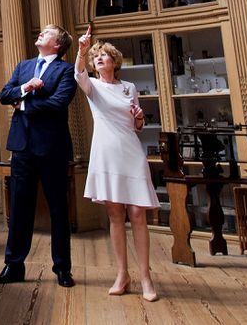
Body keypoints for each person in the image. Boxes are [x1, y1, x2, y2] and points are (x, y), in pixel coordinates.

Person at [74, 29, 161, 301]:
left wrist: (138, 116)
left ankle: (145, 277)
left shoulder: (129, 88)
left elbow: (138, 126)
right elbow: (78, 74)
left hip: (131, 151)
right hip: (106, 152)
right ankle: (122, 274)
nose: (99, 58)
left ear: (114, 61)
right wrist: (81, 48)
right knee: (115, 215)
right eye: (95, 57)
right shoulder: (92, 86)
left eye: (103, 55)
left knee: (137, 213)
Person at [0, 24, 78, 287]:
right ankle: (13, 266)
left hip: (52, 147)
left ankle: (62, 268)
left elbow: (58, 103)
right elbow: (6, 95)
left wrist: (25, 104)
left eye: (47, 32)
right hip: (22, 147)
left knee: (58, 209)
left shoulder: (66, 70)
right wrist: (25, 88)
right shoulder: (24, 66)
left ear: (58, 44)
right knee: (19, 208)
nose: (40, 33)